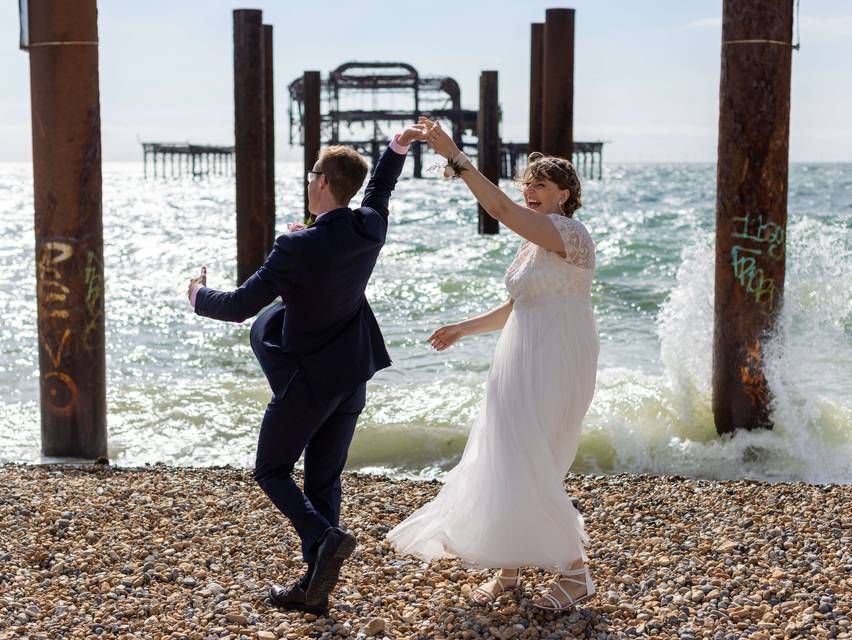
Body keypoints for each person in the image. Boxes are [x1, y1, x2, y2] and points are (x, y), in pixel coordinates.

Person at [187, 125, 420, 614]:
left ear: (321, 183)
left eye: (313, 173)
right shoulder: (369, 227)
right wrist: (396, 150)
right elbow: (380, 190)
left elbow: (239, 305)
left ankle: (323, 535)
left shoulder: (294, 248)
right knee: (323, 481)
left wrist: (197, 295)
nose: (308, 180)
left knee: (270, 470)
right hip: (352, 375)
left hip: (309, 382)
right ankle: (315, 589)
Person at [387, 118, 600, 612]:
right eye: (527, 185)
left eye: (540, 185)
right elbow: (519, 306)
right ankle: (509, 568)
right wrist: (463, 328)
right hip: (519, 351)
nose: (529, 192)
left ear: (565, 194)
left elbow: (498, 207)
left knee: (533, 456)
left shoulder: (569, 233)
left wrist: (456, 157)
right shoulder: (535, 241)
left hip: (557, 353)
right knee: (507, 452)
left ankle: (575, 572)